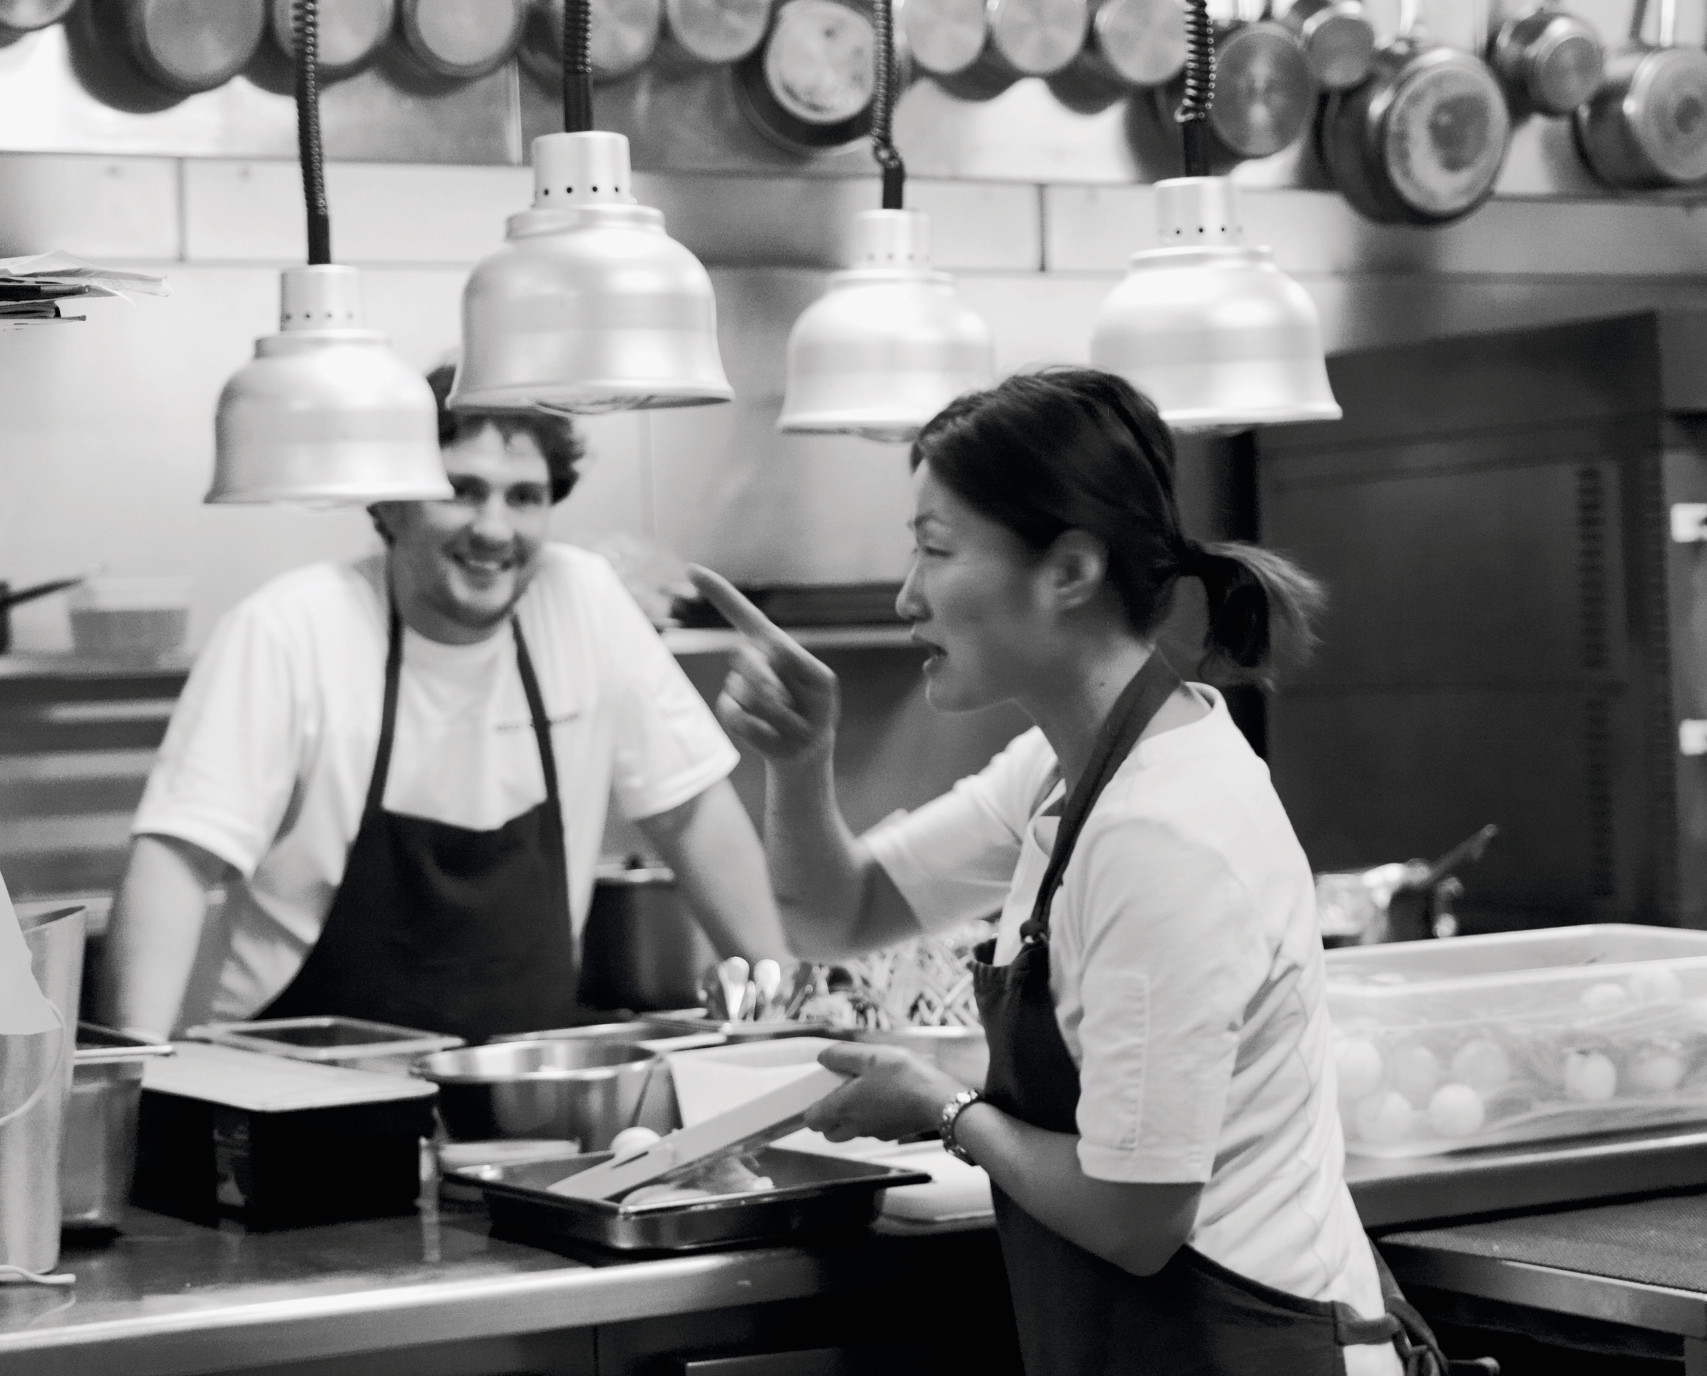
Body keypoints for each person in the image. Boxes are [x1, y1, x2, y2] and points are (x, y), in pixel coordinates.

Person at [691, 368, 1444, 1376]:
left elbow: (1134, 1212)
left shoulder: (1159, 831)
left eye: (934, 548)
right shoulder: (1062, 768)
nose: (907, 594)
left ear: (1069, 569)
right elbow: (842, 911)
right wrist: (795, 761)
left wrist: (945, 1108)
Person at [105, 366, 786, 1042]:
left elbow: (691, 814)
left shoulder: (583, 602)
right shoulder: (290, 630)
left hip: (522, 1096)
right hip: (298, 1092)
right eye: (461, 491)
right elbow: (178, 858)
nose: (494, 529)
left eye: (524, 497)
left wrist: (788, 1019)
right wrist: (131, 1082)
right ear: (390, 505)